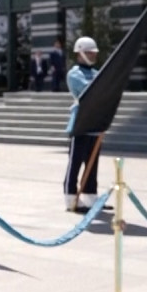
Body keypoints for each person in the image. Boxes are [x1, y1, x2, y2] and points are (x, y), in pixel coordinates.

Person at [64, 36, 105, 212]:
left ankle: (90, 196)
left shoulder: (97, 72)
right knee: (75, 162)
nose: (93, 55)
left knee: (92, 162)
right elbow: (91, 90)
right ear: (79, 53)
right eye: (89, 53)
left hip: (95, 121)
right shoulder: (74, 74)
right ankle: (71, 197)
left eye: (94, 53)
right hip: (80, 121)